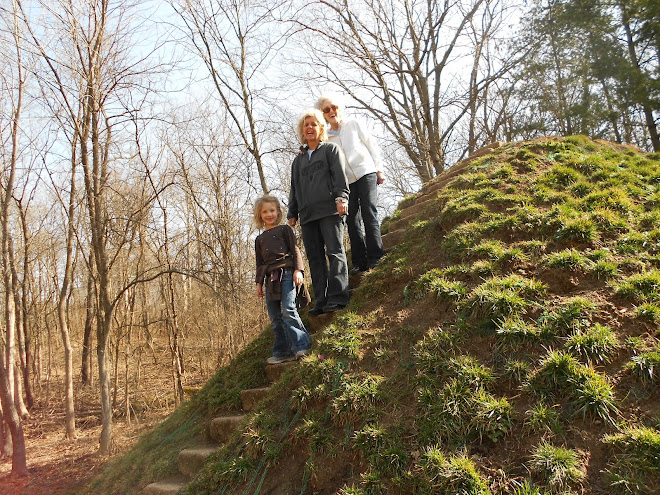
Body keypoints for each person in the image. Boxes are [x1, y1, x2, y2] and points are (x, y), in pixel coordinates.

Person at [287, 108, 350, 316]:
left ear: (321, 128)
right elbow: (294, 187)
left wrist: (342, 198)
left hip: (330, 211)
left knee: (334, 252)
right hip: (307, 215)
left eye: (313, 124)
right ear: (302, 131)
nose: (309, 128)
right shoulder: (298, 161)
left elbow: (340, 177)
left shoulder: (330, 150)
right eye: (306, 125)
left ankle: (338, 296)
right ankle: (321, 300)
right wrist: (292, 212)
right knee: (314, 258)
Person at [316, 94, 385, 274]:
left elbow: (372, 145)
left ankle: (376, 256)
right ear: (322, 115)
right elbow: (315, 152)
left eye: (334, 107)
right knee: (351, 219)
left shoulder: (354, 124)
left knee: (369, 211)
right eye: (326, 110)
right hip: (346, 181)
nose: (331, 111)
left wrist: (379, 169)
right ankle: (359, 262)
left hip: (366, 171)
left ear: (340, 108)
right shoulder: (325, 138)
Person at [254, 195, 311, 364]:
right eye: (265, 211)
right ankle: (283, 351)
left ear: (278, 212)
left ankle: (302, 345)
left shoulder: (285, 230)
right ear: (260, 215)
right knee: (274, 316)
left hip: (287, 273)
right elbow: (259, 263)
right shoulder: (259, 239)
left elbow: (295, 250)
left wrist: (298, 270)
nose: (269, 214)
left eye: (272, 210)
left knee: (288, 309)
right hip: (270, 279)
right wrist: (258, 283)